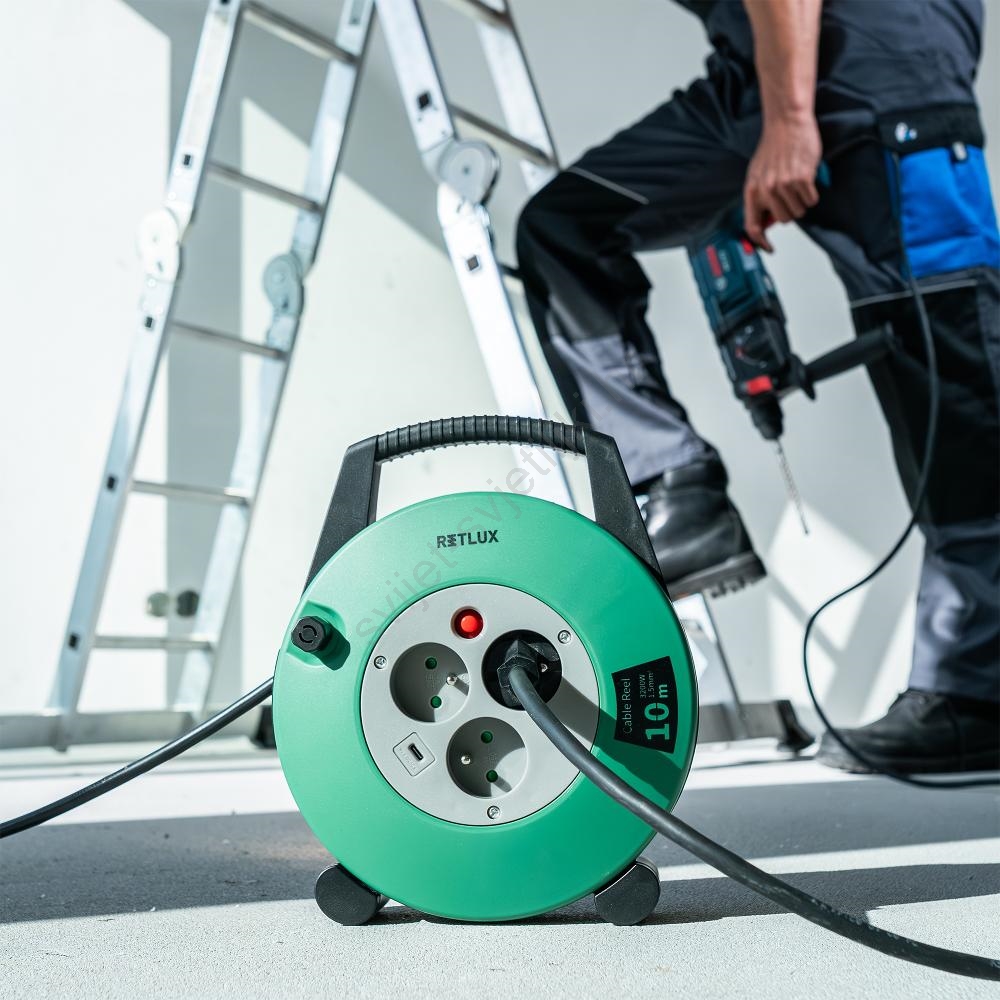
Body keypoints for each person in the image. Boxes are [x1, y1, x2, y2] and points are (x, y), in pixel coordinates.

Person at [515, 0, 999, 774]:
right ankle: (678, 493)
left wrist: (791, 120)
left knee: (952, 377)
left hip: (881, 88)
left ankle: (978, 694)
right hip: (761, 76)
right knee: (567, 226)